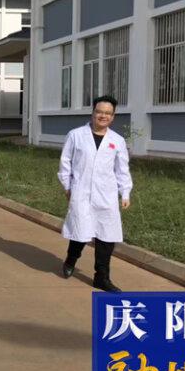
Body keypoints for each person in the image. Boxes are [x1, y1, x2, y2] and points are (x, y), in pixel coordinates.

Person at [58, 95, 133, 293]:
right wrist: (67, 186)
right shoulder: (76, 135)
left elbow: (122, 170)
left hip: (106, 195)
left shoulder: (117, 141)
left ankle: (101, 277)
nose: (103, 116)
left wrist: (125, 192)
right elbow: (65, 163)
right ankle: (71, 259)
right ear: (93, 112)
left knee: (107, 236)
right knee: (80, 232)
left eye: (108, 113)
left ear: (113, 116)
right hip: (81, 191)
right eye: (99, 112)